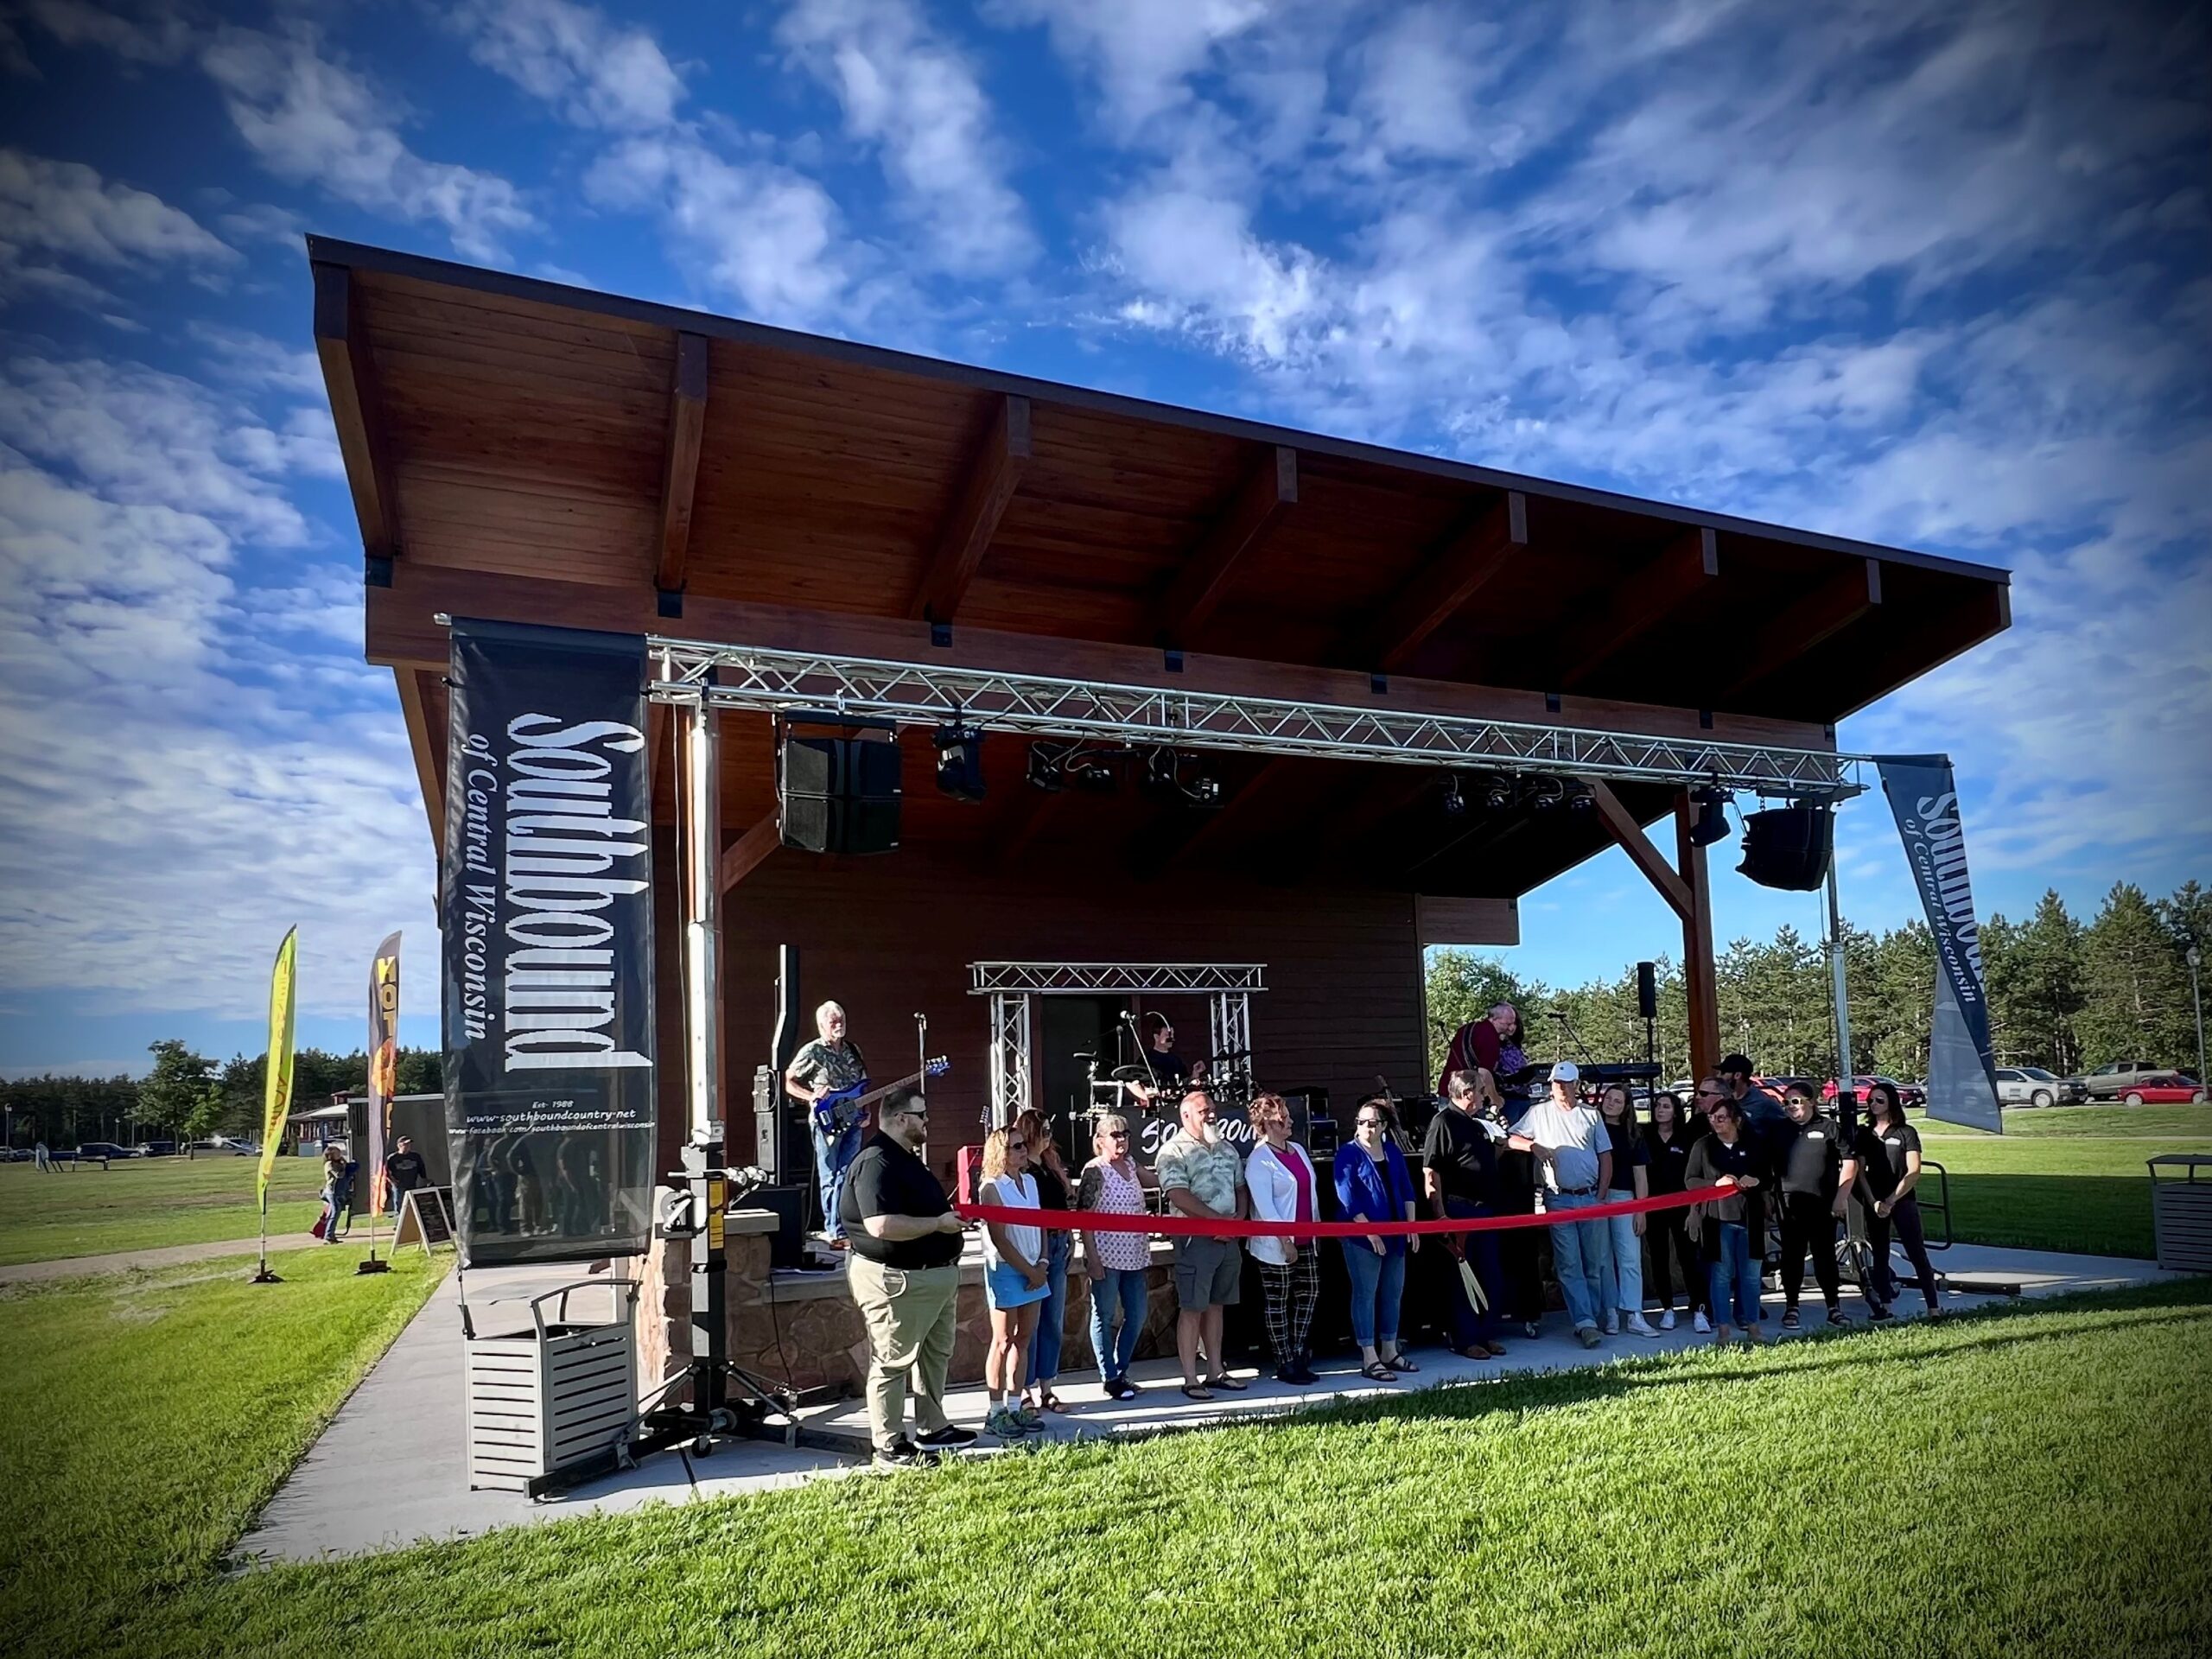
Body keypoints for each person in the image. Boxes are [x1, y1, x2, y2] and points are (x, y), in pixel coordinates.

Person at [840, 1086, 976, 1467]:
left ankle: (933, 1428)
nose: (927, 1121)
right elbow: (880, 1225)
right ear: (900, 1118)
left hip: (932, 1278)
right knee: (893, 1362)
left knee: (935, 1356)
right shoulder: (876, 1162)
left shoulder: (906, 1158)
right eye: (921, 1114)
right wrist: (938, 1223)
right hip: (897, 1281)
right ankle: (889, 1444)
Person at [1508, 1061, 1613, 1349]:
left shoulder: (1590, 1115)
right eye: (1557, 1083)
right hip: (1559, 1196)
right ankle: (1585, 1322)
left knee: (1594, 1262)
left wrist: (1602, 1193)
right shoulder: (1538, 1113)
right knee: (1569, 1264)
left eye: (1566, 1083)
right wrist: (1532, 1146)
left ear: (1577, 1084)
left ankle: (1592, 1315)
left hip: (1591, 1196)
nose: (1561, 1088)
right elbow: (1507, 1138)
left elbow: (1605, 1154)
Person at [1155, 1089, 1249, 1402]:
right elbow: (1177, 1194)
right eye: (1203, 1110)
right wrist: (1214, 1222)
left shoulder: (1227, 1148)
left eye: (1212, 1109)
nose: (1211, 1114)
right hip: (1195, 1238)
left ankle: (1216, 1371)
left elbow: (1240, 1187)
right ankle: (1190, 1377)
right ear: (1185, 1116)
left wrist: (1238, 1219)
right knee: (1192, 1307)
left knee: (1216, 1305)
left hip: (1228, 1239)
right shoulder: (1173, 1151)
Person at [1422, 1069, 1509, 1360]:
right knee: (1463, 1277)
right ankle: (1466, 1338)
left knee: (1490, 1275)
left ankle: (1486, 1334)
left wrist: (1498, 1147)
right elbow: (1431, 1170)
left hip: (1486, 1209)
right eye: (1482, 1090)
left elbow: (1481, 1161)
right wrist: (1441, 1215)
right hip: (1459, 1209)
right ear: (1468, 1093)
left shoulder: (1477, 1124)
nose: (1486, 1096)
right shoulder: (1443, 1121)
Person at [1334, 1096, 1421, 1381]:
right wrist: (1368, 1231)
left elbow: (1407, 1190)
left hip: (1395, 1235)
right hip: (1362, 1238)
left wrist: (1411, 1226)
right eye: (1361, 1122)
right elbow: (1346, 1198)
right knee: (1365, 1294)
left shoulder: (1393, 1152)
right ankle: (1368, 1356)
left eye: (1372, 1123)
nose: (1366, 1128)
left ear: (1383, 1126)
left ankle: (1389, 1349)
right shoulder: (1348, 1153)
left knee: (1393, 1293)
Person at [976, 1128, 1051, 1438]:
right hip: (1007, 1268)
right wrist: (1029, 1271)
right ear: (1001, 1152)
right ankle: (996, 1411)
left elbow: (1042, 1223)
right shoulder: (991, 1188)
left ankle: (1017, 1404)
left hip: (1035, 1265)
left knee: (1024, 1338)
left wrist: (1043, 1263)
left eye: (1024, 1145)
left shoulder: (1031, 1182)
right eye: (1017, 1146)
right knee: (1002, 1340)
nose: (1024, 1150)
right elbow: (1001, 1240)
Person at [1245, 1092, 1322, 1384]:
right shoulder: (1260, 1159)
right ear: (1268, 1123)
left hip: (1307, 1238)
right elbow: (1266, 1207)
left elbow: (1310, 1192)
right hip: (1276, 1245)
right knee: (1278, 1301)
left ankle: (1300, 1351)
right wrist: (1284, 1240)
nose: (1289, 1120)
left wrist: (1316, 1230)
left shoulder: (1299, 1150)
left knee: (1309, 1293)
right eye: (1282, 1117)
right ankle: (1285, 1361)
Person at [1077, 1114, 1151, 1400]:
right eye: (1115, 1135)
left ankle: (1121, 1371)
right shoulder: (1094, 1170)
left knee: (1137, 1315)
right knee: (1104, 1315)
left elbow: (1157, 1179)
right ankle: (1109, 1376)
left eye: (1125, 1134)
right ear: (1100, 1140)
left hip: (1135, 1254)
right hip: (1106, 1255)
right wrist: (1092, 1258)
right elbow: (1085, 1217)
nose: (1121, 1139)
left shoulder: (1131, 1165)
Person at [1684, 1096, 1768, 1345]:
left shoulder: (1754, 1144)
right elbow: (1690, 1181)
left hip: (1750, 1219)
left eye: (1721, 1117)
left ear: (1737, 1120)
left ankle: (1753, 1328)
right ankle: (1723, 1331)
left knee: (1751, 1276)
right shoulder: (1703, 1145)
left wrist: (1757, 1181)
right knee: (1720, 1276)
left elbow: (1769, 1175)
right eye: (1712, 1118)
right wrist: (1715, 1184)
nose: (1716, 1122)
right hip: (1716, 1218)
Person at [1774, 1081, 1857, 1329]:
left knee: (1825, 1257)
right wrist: (1770, 1199)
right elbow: (1768, 1168)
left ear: (1811, 1102)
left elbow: (1850, 1162)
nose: (1791, 1106)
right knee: (1792, 1257)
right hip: (1789, 1204)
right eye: (1787, 1102)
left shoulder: (1830, 1128)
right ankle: (1791, 1307)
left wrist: (1842, 1197)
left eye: (1796, 1101)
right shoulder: (1778, 1130)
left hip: (1823, 1204)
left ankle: (1833, 1307)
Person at [1854, 1081, 1940, 1319]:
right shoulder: (1865, 1133)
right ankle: (1885, 1306)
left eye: (1879, 1100)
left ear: (1891, 1102)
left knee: (1916, 1252)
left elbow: (1913, 1171)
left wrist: (1892, 1199)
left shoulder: (1906, 1132)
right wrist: (1873, 1201)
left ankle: (1934, 1307)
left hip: (1902, 1200)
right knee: (1880, 1253)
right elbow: (1860, 1171)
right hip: (1875, 1201)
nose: (1873, 1104)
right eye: (1871, 1100)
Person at [786, 1001, 867, 1246]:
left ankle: (844, 1227)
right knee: (831, 1175)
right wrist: (811, 1097)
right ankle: (834, 1230)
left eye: (841, 1020)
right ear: (822, 1025)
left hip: (853, 1118)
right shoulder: (812, 1051)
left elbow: (863, 1083)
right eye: (834, 1021)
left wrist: (867, 1110)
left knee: (848, 1174)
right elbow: (789, 1080)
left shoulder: (853, 1050)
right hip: (827, 1120)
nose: (839, 1025)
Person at [1014, 1109, 1073, 1414]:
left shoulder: (1050, 1165)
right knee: (1031, 1323)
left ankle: (1048, 1386)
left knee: (1053, 1319)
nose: (1048, 1134)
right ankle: (1024, 1388)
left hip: (1059, 1241)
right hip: (1035, 1248)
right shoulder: (1023, 1171)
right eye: (1043, 1129)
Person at [1596, 1084, 1661, 1338]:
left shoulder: (1634, 1133)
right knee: (1602, 1258)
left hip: (1625, 1198)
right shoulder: (1592, 1127)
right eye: (1609, 1098)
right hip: (1597, 1199)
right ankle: (1611, 1311)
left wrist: (1641, 1210)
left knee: (1630, 1258)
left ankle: (1634, 1313)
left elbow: (1641, 1175)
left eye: (1617, 1100)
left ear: (1626, 1107)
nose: (1611, 1103)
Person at [1642, 1090, 1707, 1332]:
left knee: (1689, 1257)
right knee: (1659, 1258)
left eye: (1666, 1106)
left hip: (1683, 1206)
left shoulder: (1687, 1136)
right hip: (1654, 1206)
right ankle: (1667, 1308)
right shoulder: (1646, 1135)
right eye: (1658, 1105)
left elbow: (1695, 1176)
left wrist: (1694, 1209)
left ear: (1676, 1111)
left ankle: (1699, 1308)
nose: (1660, 1110)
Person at [1438, 1003, 1532, 1121]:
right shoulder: (1490, 1038)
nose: (1511, 1028)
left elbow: (1450, 1054)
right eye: (1507, 1024)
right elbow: (1484, 1074)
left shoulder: (1467, 1029)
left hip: (1447, 1090)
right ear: (1494, 1019)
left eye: (1513, 1023)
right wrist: (1495, 1099)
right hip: (1469, 1097)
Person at [383, 1134, 427, 1220]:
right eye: (405, 1144)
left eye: (409, 1144)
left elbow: (421, 1168)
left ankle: (412, 1222)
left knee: (413, 1204)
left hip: (412, 1184)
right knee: (399, 1204)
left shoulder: (415, 1156)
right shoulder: (392, 1158)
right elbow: (385, 1172)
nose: (408, 1146)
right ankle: (398, 1223)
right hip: (399, 1186)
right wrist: (392, 1181)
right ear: (399, 1145)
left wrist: (424, 1178)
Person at [318, 1144, 351, 1243]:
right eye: (337, 1153)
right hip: (332, 1191)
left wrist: (343, 1162)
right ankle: (329, 1235)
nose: (340, 1154)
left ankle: (330, 1234)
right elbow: (339, 1175)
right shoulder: (330, 1164)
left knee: (336, 1212)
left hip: (339, 1191)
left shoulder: (338, 1163)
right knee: (335, 1212)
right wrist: (344, 1167)